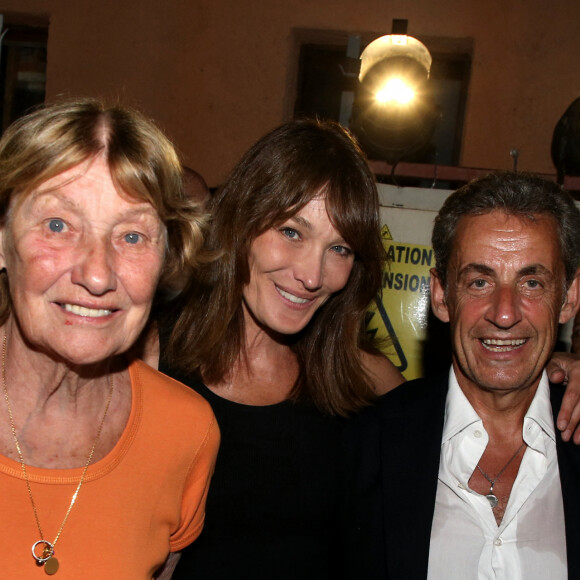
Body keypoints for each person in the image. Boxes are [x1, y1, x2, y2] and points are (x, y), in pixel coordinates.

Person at [157, 119, 405, 579]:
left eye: (341, 249)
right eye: (293, 232)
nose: (313, 275)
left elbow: (477, 435)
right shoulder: (151, 359)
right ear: (240, 221)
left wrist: (554, 371)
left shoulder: (359, 378)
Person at [0, 99, 220, 579]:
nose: (98, 275)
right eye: (58, 225)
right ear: (1, 241)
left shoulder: (183, 432)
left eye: (132, 236)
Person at [345, 171, 580, 579]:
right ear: (440, 295)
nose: (504, 313)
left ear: (569, 298)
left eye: (531, 281)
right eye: (479, 281)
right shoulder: (365, 443)